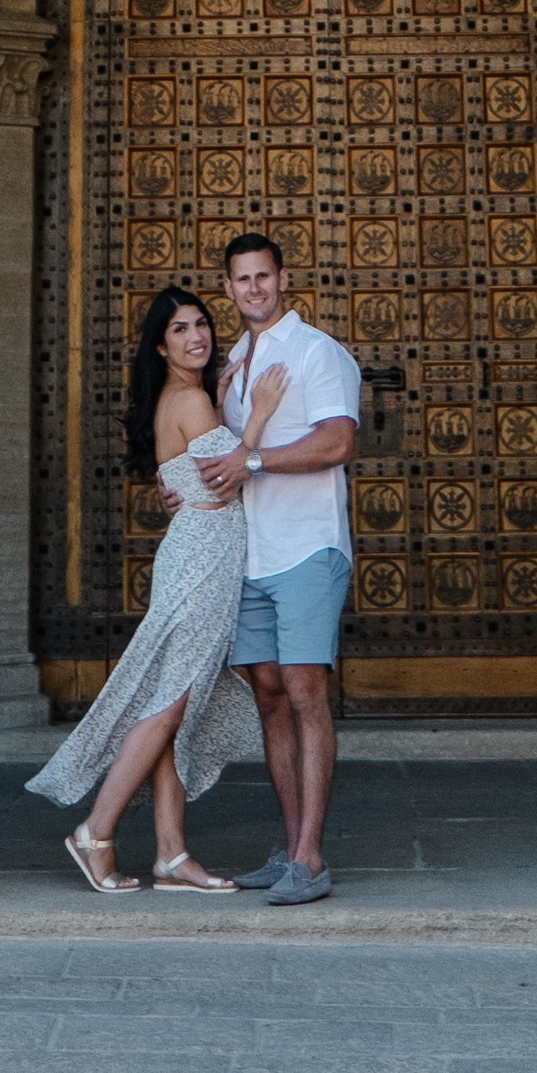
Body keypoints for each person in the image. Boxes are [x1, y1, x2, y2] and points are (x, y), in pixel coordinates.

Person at [26, 283, 288, 892]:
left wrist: (224, 409)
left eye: (201, 324)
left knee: (173, 702)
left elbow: (195, 480)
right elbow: (227, 481)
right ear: (160, 345)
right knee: (171, 703)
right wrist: (261, 416)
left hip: (200, 555)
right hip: (200, 563)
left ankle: (171, 854)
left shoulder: (191, 396)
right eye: (180, 329)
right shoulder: (188, 399)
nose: (196, 336)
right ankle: (96, 830)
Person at [196, 229, 361, 905]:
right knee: (267, 693)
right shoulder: (232, 363)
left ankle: (313, 859)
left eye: (263, 276)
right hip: (250, 552)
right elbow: (217, 450)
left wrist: (252, 461)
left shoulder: (318, 352)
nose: (253, 288)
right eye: (241, 280)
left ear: (283, 280)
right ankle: (290, 846)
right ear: (229, 289)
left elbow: (337, 440)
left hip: (307, 547)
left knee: (302, 691)